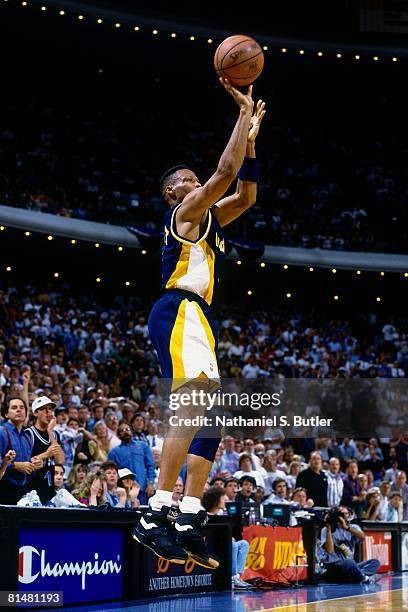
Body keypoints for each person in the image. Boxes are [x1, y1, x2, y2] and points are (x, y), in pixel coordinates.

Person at [133, 78, 266, 568]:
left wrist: (252, 141)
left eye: (195, 179)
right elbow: (225, 173)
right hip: (178, 309)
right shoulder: (186, 212)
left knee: (212, 417)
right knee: (190, 406)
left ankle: (189, 513)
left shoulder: (208, 221)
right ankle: (156, 512)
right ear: (174, 192)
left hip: (200, 317)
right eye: (188, 179)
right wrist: (241, 116)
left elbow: (246, 194)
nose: (196, 183)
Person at [202, 486, 252, 590]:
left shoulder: (222, 513)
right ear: (216, 500)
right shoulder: (203, 515)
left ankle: (238, 576)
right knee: (232, 545)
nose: (225, 499)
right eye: (222, 497)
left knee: (243, 544)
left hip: (222, 543)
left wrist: (229, 537)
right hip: (210, 545)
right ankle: (233, 577)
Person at [318, 506, 380, 583]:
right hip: (334, 566)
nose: (343, 516)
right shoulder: (326, 530)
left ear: (350, 515)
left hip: (350, 565)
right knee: (349, 562)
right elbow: (330, 551)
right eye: (341, 514)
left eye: (346, 513)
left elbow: (363, 537)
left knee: (375, 562)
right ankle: (364, 578)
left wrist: (347, 528)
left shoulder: (353, 527)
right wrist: (329, 529)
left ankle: (354, 576)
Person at [0, 396, 43, 504]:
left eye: (22, 407)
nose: (19, 410)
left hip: (22, 491)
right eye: (14, 408)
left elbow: (27, 468)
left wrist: (34, 466)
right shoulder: (1, 432)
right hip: (3, 490)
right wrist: (15, 465)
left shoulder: (27, 438)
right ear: (6, 414)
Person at [25, 396, 65, 504]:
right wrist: (47, 454)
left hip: (49, 490)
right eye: (44, 409)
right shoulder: (29, 433)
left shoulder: (55, 434)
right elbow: (27, 462)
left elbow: (60, 460)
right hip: (32, 492)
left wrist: (50, 431)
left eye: (50, 409)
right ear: (35, 413)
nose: (49, 412)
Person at [108, 423, 155, 504]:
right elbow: (111, 471)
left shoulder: (143, 446)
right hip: (124, 490)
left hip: (143, 489)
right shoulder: (114, 452)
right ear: (119, 435)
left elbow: (150, 465)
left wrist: (150, 483)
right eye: (122, 431)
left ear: (132, 432)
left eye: (127, 429)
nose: (125, 432)